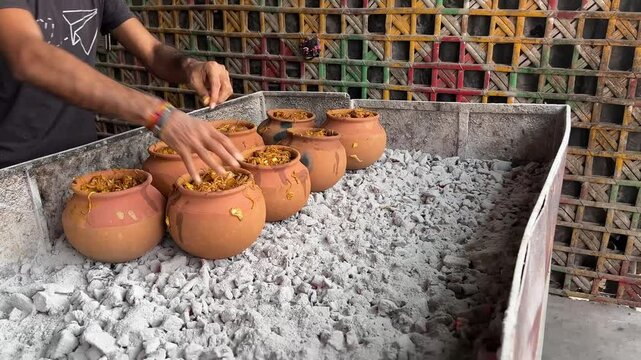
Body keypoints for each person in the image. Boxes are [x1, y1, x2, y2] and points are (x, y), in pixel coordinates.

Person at [0, 0, 241, 183]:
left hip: (79, 160)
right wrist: (158, 114)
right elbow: (29, 56)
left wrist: (191, 66)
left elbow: (153, 52)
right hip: (12, 174)